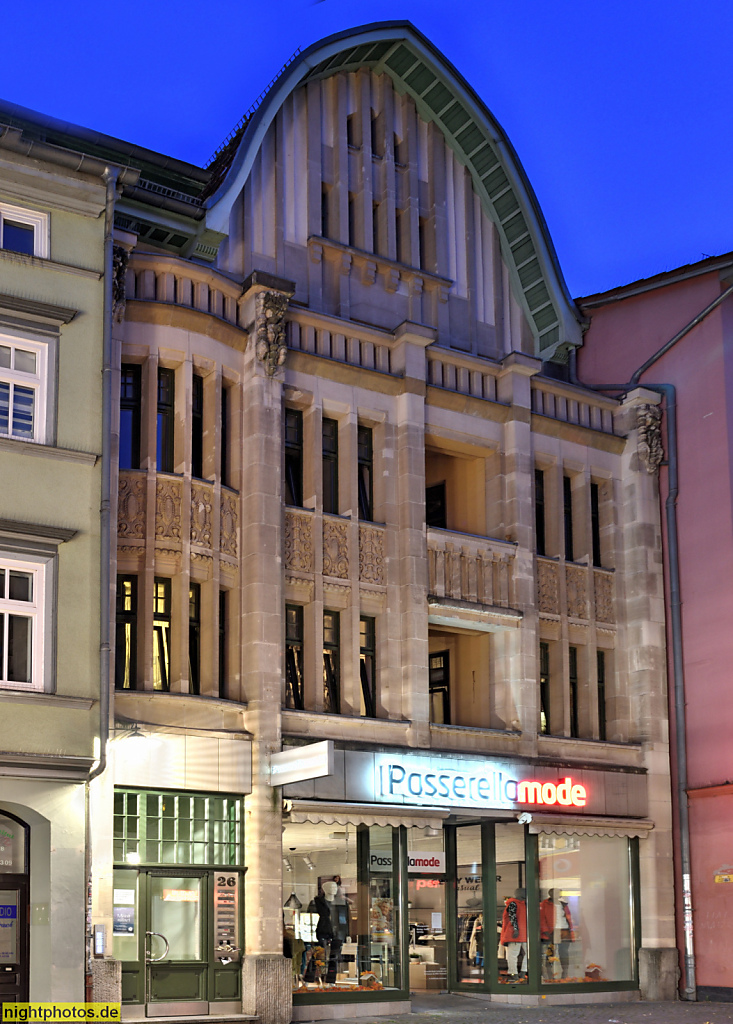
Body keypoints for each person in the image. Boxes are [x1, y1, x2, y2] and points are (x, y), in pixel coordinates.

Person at [540, 888, 574, 979]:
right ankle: (549, 974)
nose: (559, 894)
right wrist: (546, 932)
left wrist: (571, 930)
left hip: (564, 930)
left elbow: (568, 917)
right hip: (552, 931)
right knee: (551, 952)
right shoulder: (545, 904)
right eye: (557, 893)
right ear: (551, 894)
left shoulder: (563, 904)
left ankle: (565, 972)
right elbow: (542, 919)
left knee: (564, 952)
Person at [500, 887, 527, 980]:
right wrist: (516, 929)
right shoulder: (518, 904)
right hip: (521, 932)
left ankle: (515, 974)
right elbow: (513, 917)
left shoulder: (515, 903)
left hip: (518, 933)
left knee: (513, 955)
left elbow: (512, 917)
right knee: (526, 954)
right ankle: (520, 973)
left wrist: (516, 929)